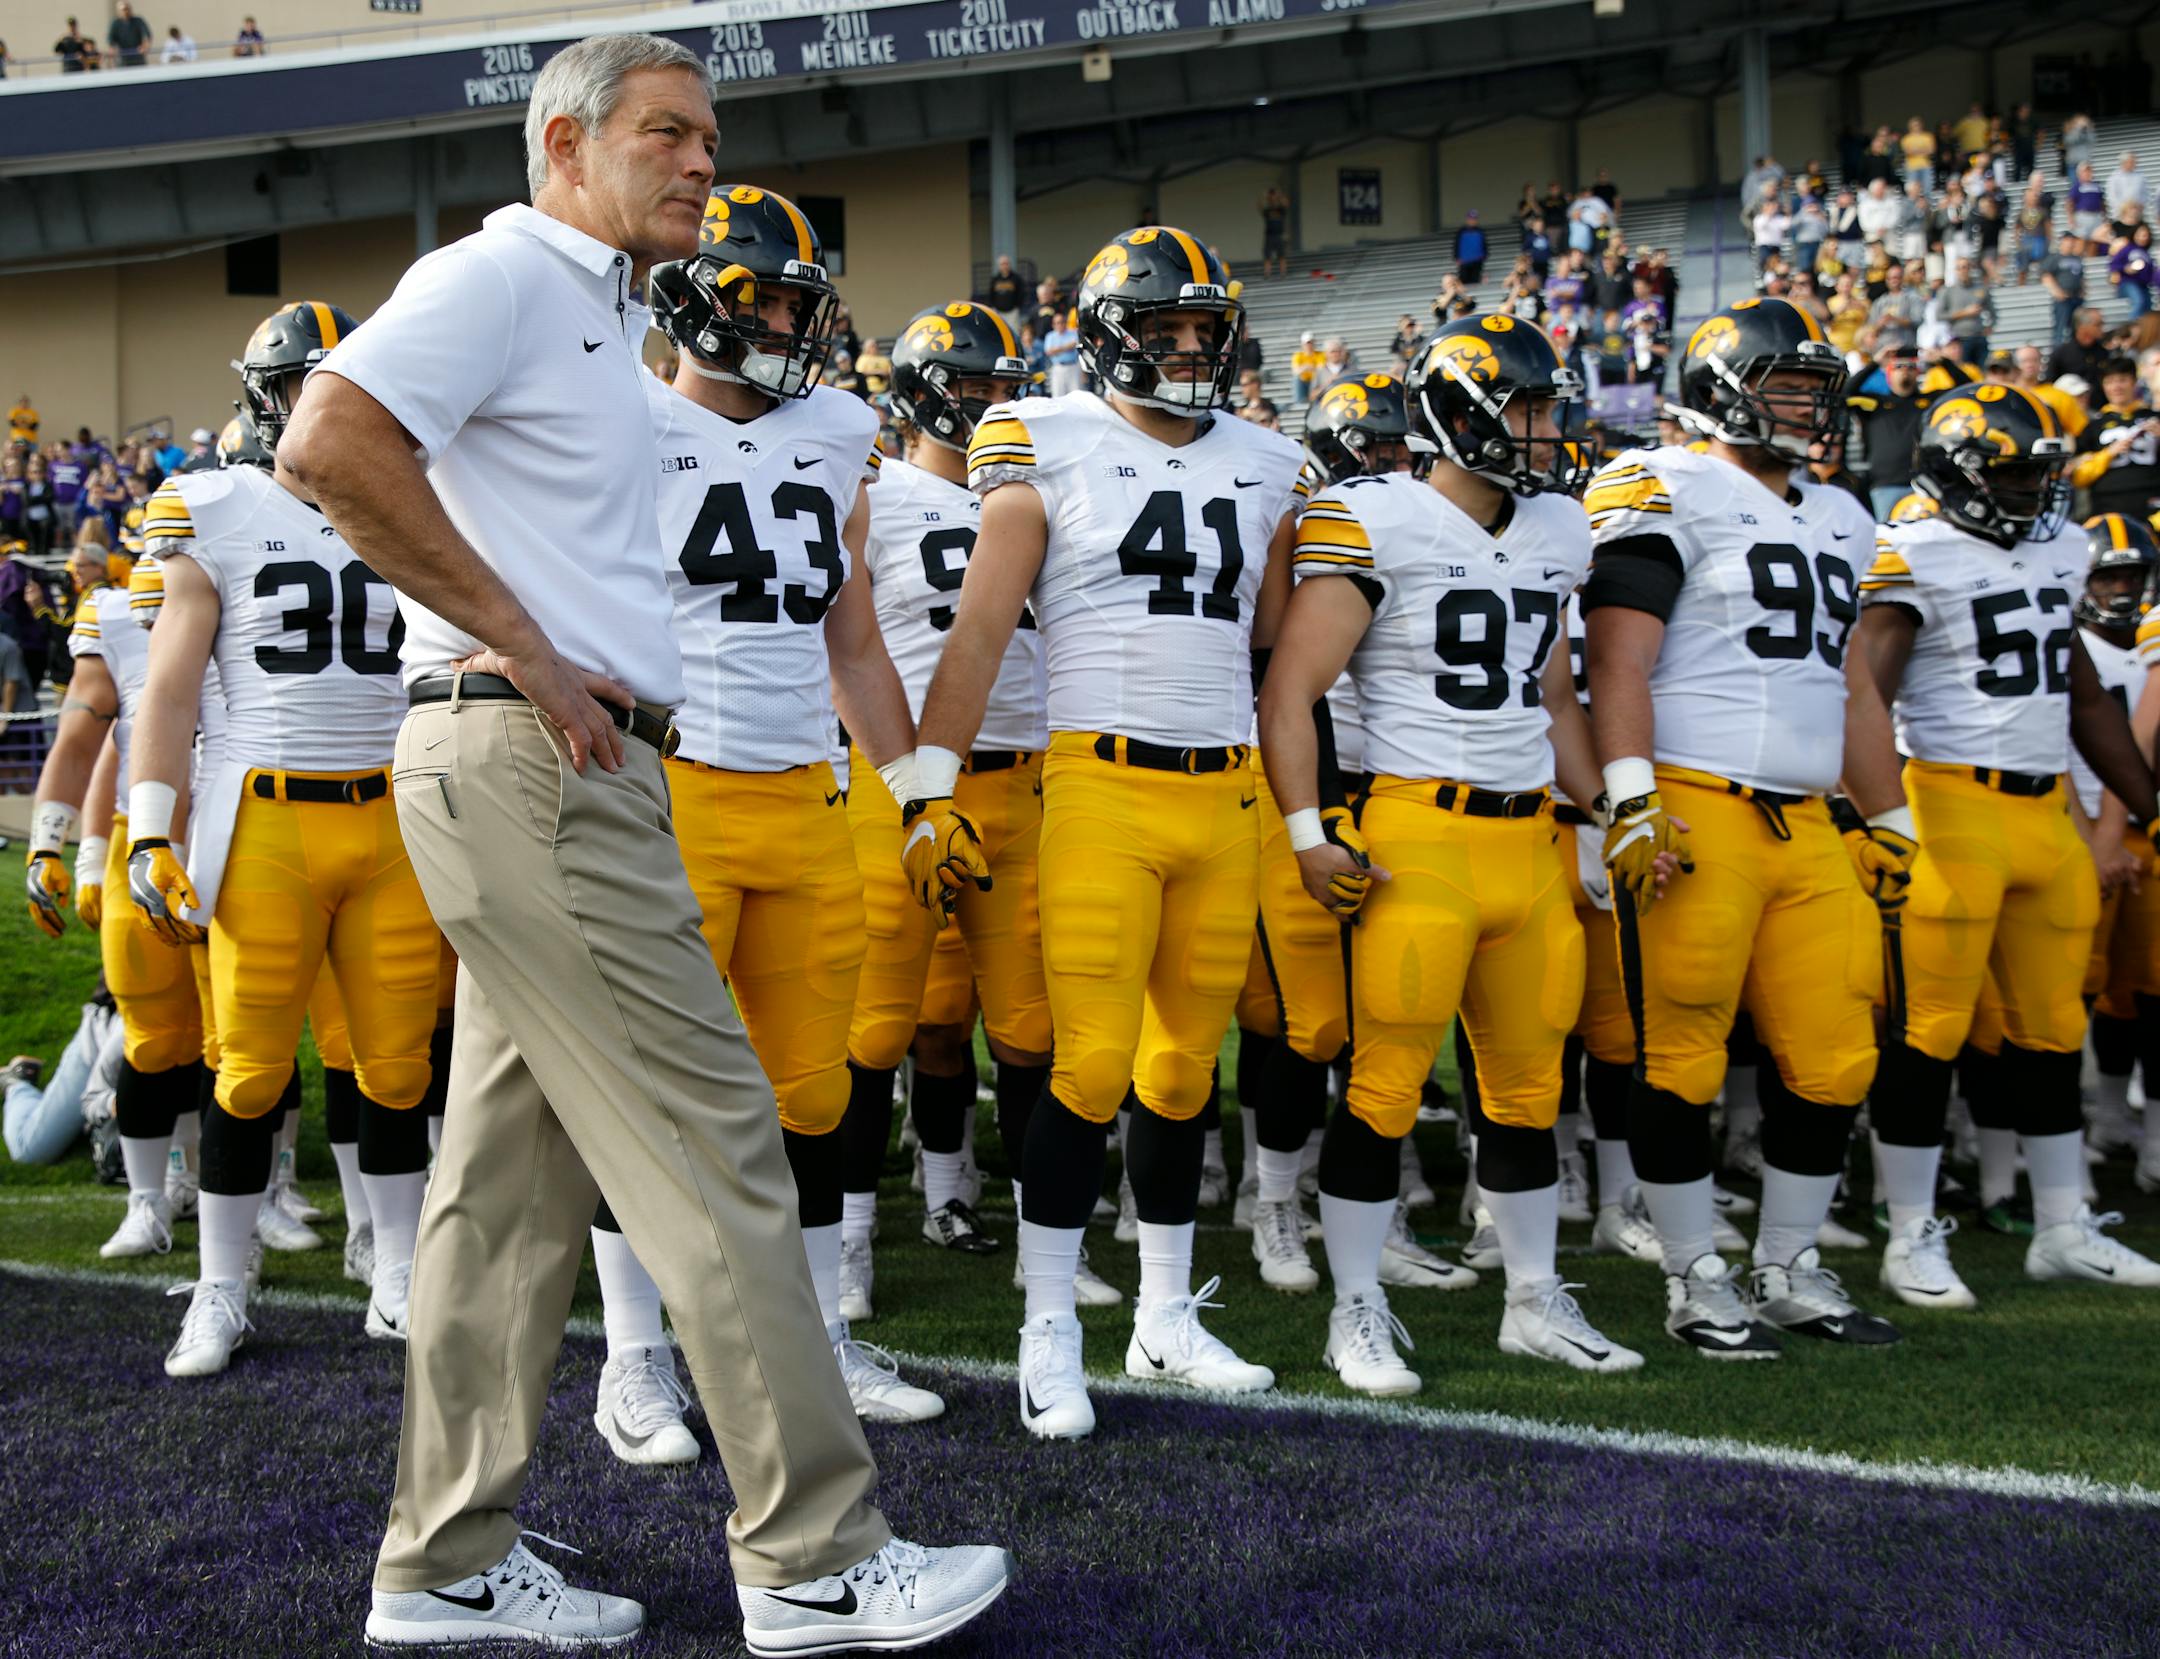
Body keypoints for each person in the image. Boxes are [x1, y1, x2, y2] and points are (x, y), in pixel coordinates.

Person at [274, 35, 1009, 1653]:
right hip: (538, 754)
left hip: (541, 764)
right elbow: (324, 442)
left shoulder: (593, 306)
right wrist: (524, 640)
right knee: (720, 1143)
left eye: (712, 135)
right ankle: (813, 1552)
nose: (702, 162)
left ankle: (443, 1560)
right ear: (564, 143)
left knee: (502, 1194)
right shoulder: (508, 276)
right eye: (669, 133)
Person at [907, 223, 1304, 1439]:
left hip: (1225, 788)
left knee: (1186, 1068)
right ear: (1107, 338)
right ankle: (1047, 1331)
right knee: (1086, 1067)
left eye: (1204, 329)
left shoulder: (1271, 461)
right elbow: (979, 632)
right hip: (1101, 782)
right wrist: (930, 787)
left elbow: (1281, 639)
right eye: (1164, 330)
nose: (1190, 350)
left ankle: (1166, 1315)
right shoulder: (1045, 436)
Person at [1263, 316, 1639, 1390]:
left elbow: (1555, 695)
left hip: (1529, 840)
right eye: (1527, 408)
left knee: (1528, 1091)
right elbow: (1291, 693)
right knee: (1383, 1086)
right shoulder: (1371, 516)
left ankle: (1531, 1300)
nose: (1546, 429)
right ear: (1459, 413)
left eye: (1549, 407)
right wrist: (1307, 830)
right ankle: (1355, 1309)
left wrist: (1608, 809)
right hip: (1415, 833)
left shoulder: (1562, 528)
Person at [1582, 298, 1900, 1360]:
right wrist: (1630, 797)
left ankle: (1789, 1263)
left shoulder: (1846, 514)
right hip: (1695, 804)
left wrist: (1889, 812)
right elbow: (1619, 659)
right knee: (1681, 1056)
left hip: (1807, 819)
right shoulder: (1662, 482)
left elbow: (1850, 678)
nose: (1812, 409)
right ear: (1724, 387)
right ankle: (1692, 1274)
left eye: (1820, 391)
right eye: (1791, 388)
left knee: (1837, 1054)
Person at [126, 300, 437, 1371]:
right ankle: (221, 1286)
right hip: (261, 812)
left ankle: (394, 1269)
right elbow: (168, 693)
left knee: (398, 1068)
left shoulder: (418, 503)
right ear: (268, 402)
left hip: (395, 812)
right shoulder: (213, 506)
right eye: (307, 388)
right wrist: (147, 831)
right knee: (249, 1073)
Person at [1845, 387, 2160, 1303]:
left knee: (2056, 1028)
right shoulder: (1913, 552)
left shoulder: (2060, 549)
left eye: (2040, 473)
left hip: (2042, 813)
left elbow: (2085, 698)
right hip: (1948, 805)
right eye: (2015, 473)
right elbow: (1868, 696)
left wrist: (2151, 807)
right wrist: (1869, 813)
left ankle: (2063, 1225)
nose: (2033, 491)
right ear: (1958, 473)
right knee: (1928, 1031)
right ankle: (1911, 1233)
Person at [847, 303, 1096, 1316]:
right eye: (966, 382)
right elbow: (843, 644)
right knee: (885, 1028)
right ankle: (861, 1232)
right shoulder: (878, 493)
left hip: (1028, 783)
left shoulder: (1046, 493)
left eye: (1001, 383)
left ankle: (1050, 1248)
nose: (990, 401)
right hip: (903, 781)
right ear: (914, 391)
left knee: (1033, 1031)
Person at [2068, 514, 2160, 1165]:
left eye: (2132, 574)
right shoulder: (2075, 648)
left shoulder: (2148, 642)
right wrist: (2095, 834)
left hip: (2146, 834)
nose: (2122, 588)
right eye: (2109, 575)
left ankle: (2142, 1136)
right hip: (2084, 834)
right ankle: (2077, 1129)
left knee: (2149, 990)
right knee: (2075, 989)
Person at [3, 997, 122, 1167]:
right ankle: (18, 1083)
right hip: (100, 1042)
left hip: (152, 1052)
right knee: (30, 1148)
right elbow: (94, 1100)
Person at [1259, 185, 1291, 279]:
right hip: (1269, 236)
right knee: (1267, 256)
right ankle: (1267, 273)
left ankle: (1283, 273)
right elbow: (1259, 206)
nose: (1273, 198)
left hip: (1279, 235)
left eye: (1273, 195)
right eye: (1271, 196)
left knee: (1282, 256)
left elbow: (1287, 204)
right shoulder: (1267, 210)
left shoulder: (1281, 209)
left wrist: (1280, 195)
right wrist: (1264, 196)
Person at [106, 1, 152, 67]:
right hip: (123, 56)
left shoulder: (138, 20)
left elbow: (147, 34)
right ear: (118, 11)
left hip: (137, 54)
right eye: (123, 9)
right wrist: (113, 49)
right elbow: (110, 38)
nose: (126, 11)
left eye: (128, 9)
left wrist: (145, 46)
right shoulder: (115, 23)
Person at [984, 253, 1025, 321]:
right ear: (999, 266)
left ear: (1009, 265)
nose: (1004, 266)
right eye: (1002, 264)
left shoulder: (1016, 278)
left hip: (1012, 312)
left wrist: (1017, 306)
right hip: (998, 312)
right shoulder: (995, 279)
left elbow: (1021, 293)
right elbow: (990, 294)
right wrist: (992, 307)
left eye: (1006, 263)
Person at [1454, 210, 1488, 285]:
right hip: (1464, 261)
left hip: (1477, 261)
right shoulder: (1461, 231)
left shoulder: (1480, 231)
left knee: (1475, 280)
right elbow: (1456, 245)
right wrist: (1457, 257)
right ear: (1467, 219)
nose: (1472, 221)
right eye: (1471, 219)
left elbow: (1484, 245)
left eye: (1474, 219)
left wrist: (1484, 256)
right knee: (1463, 280)